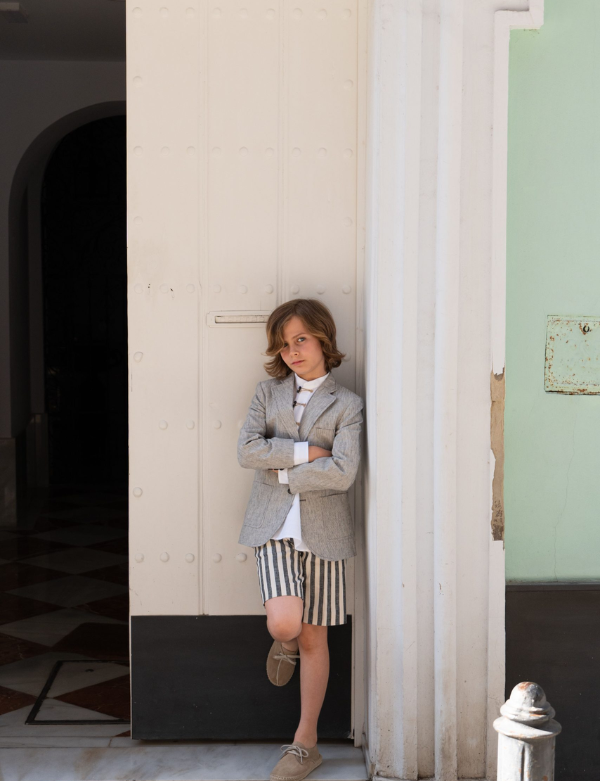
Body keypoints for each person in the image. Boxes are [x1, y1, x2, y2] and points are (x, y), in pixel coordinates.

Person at [237, 298, 364, 781]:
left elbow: (344, 472)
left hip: (325, 534)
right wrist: (307, 452)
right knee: (287, 623)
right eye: (283, 344)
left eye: (301, 340)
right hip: (271, 528)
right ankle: (282, 642)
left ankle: (305, 744)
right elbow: (248, 451)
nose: (291, 351)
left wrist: (285, 471)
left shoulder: (348, 404)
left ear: (323, 340)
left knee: (316, 637)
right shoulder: (267, 394)